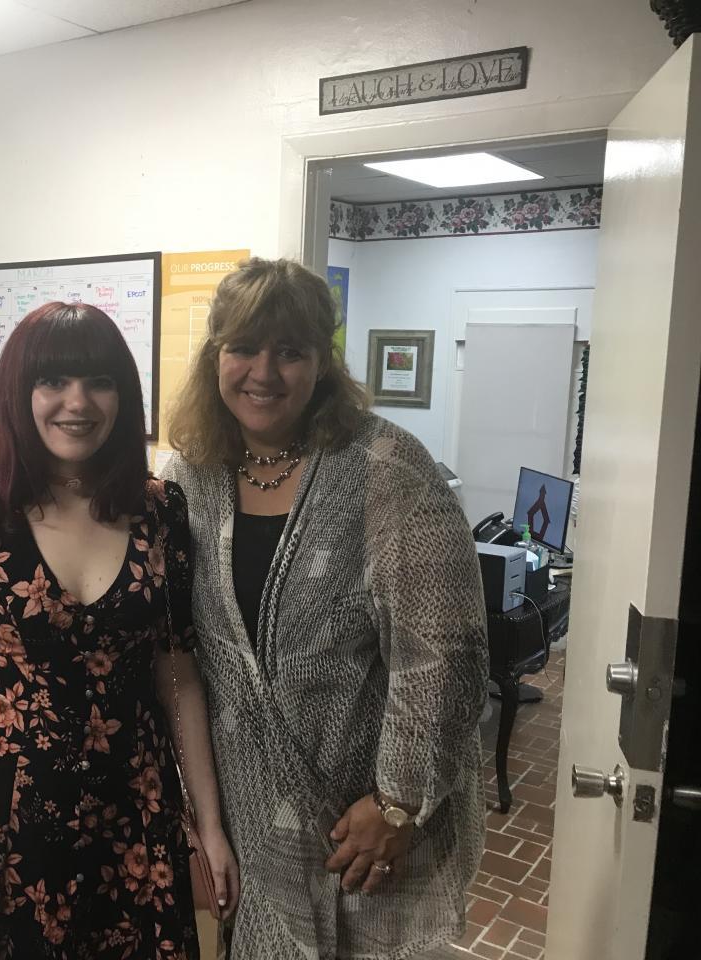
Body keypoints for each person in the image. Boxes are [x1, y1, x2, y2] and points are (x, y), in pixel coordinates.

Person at [161, 258, 487, 959]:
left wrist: (399, 804)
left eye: (290, 351)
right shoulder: (189, 479)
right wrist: (200, 818)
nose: (264, 372)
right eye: (243, 347)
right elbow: (183, 658)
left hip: (371, 838)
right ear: (215, 357)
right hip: (252, 829)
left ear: (322, 363)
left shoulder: (387, 469)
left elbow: (445, 655)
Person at [0, 301, 239, 960]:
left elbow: (179, 678)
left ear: (124, 397)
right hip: (15, 819)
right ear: (20, 394)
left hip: (139, 810)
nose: (78, 402)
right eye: (53, 381)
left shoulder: (160, 512)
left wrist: (209, 825)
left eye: (99, 381)